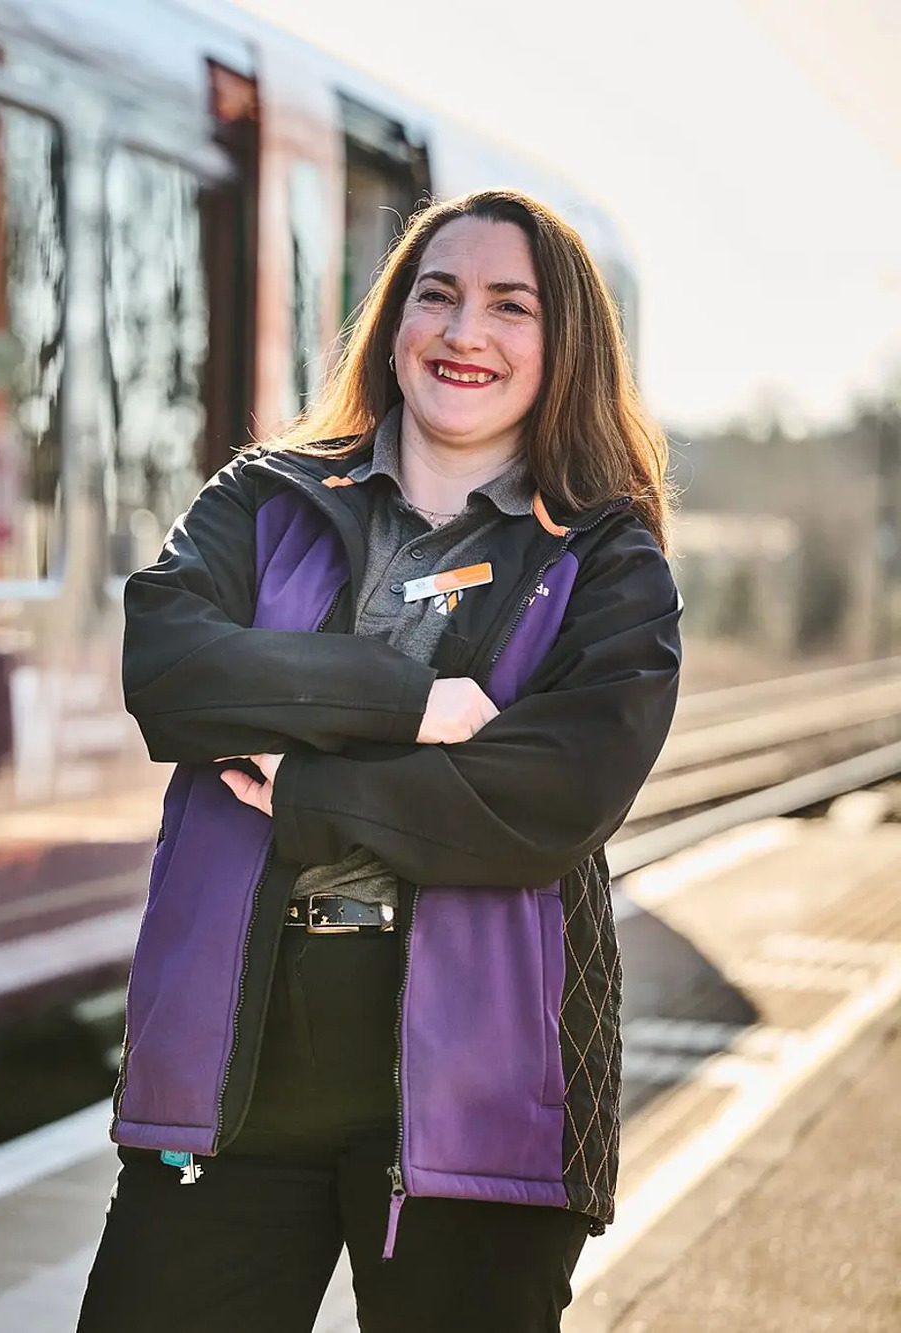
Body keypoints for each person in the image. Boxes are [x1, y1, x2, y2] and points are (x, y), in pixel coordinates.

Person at [77, 188, 681, 1333]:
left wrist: (300, 784)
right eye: (435, 294)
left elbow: (550, 799)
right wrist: (415, 702)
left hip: (480, 1085)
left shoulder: (606, 556)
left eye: (510, 306)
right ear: (392, 319)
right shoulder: (263, 498)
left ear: (561, 349)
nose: (464, 332)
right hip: (233, 1067)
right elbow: (168, 664)